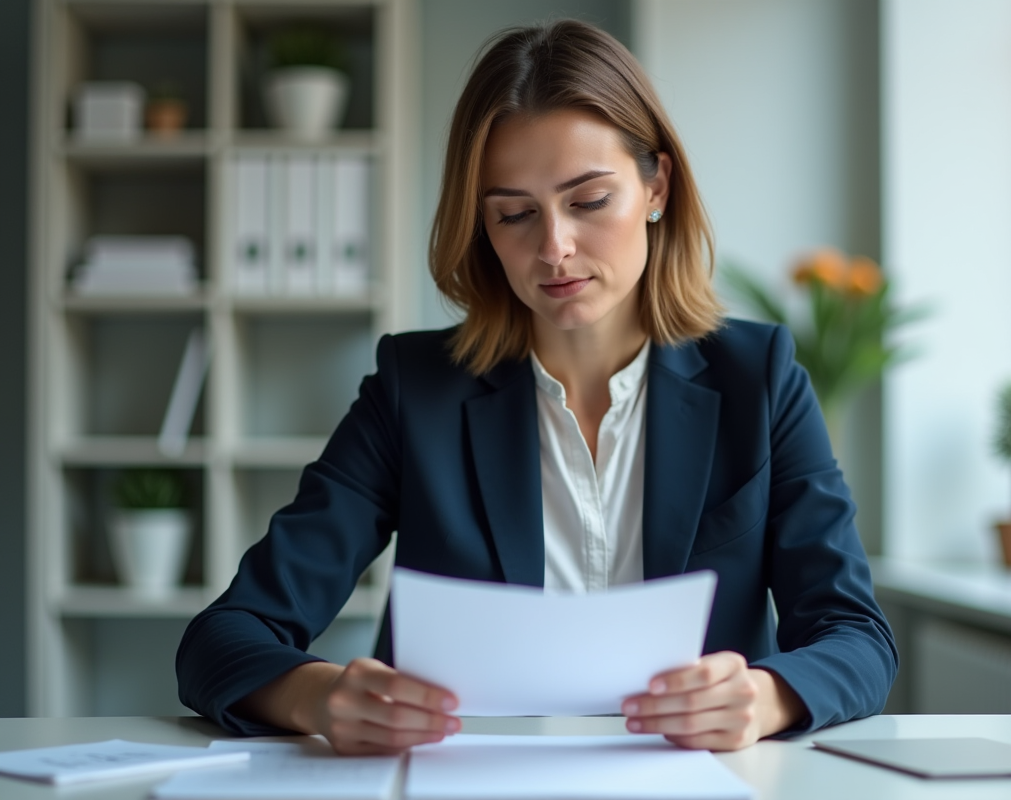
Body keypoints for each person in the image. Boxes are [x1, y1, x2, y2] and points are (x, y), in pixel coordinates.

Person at [176, 19, 896, 754]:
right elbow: (222, 638)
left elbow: (857, 638)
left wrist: (766, 697)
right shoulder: (414, 391)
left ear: (656, 186)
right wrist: (320, 696)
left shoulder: (761, 378)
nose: (553, 248)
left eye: (588, 201)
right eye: (514, 214)